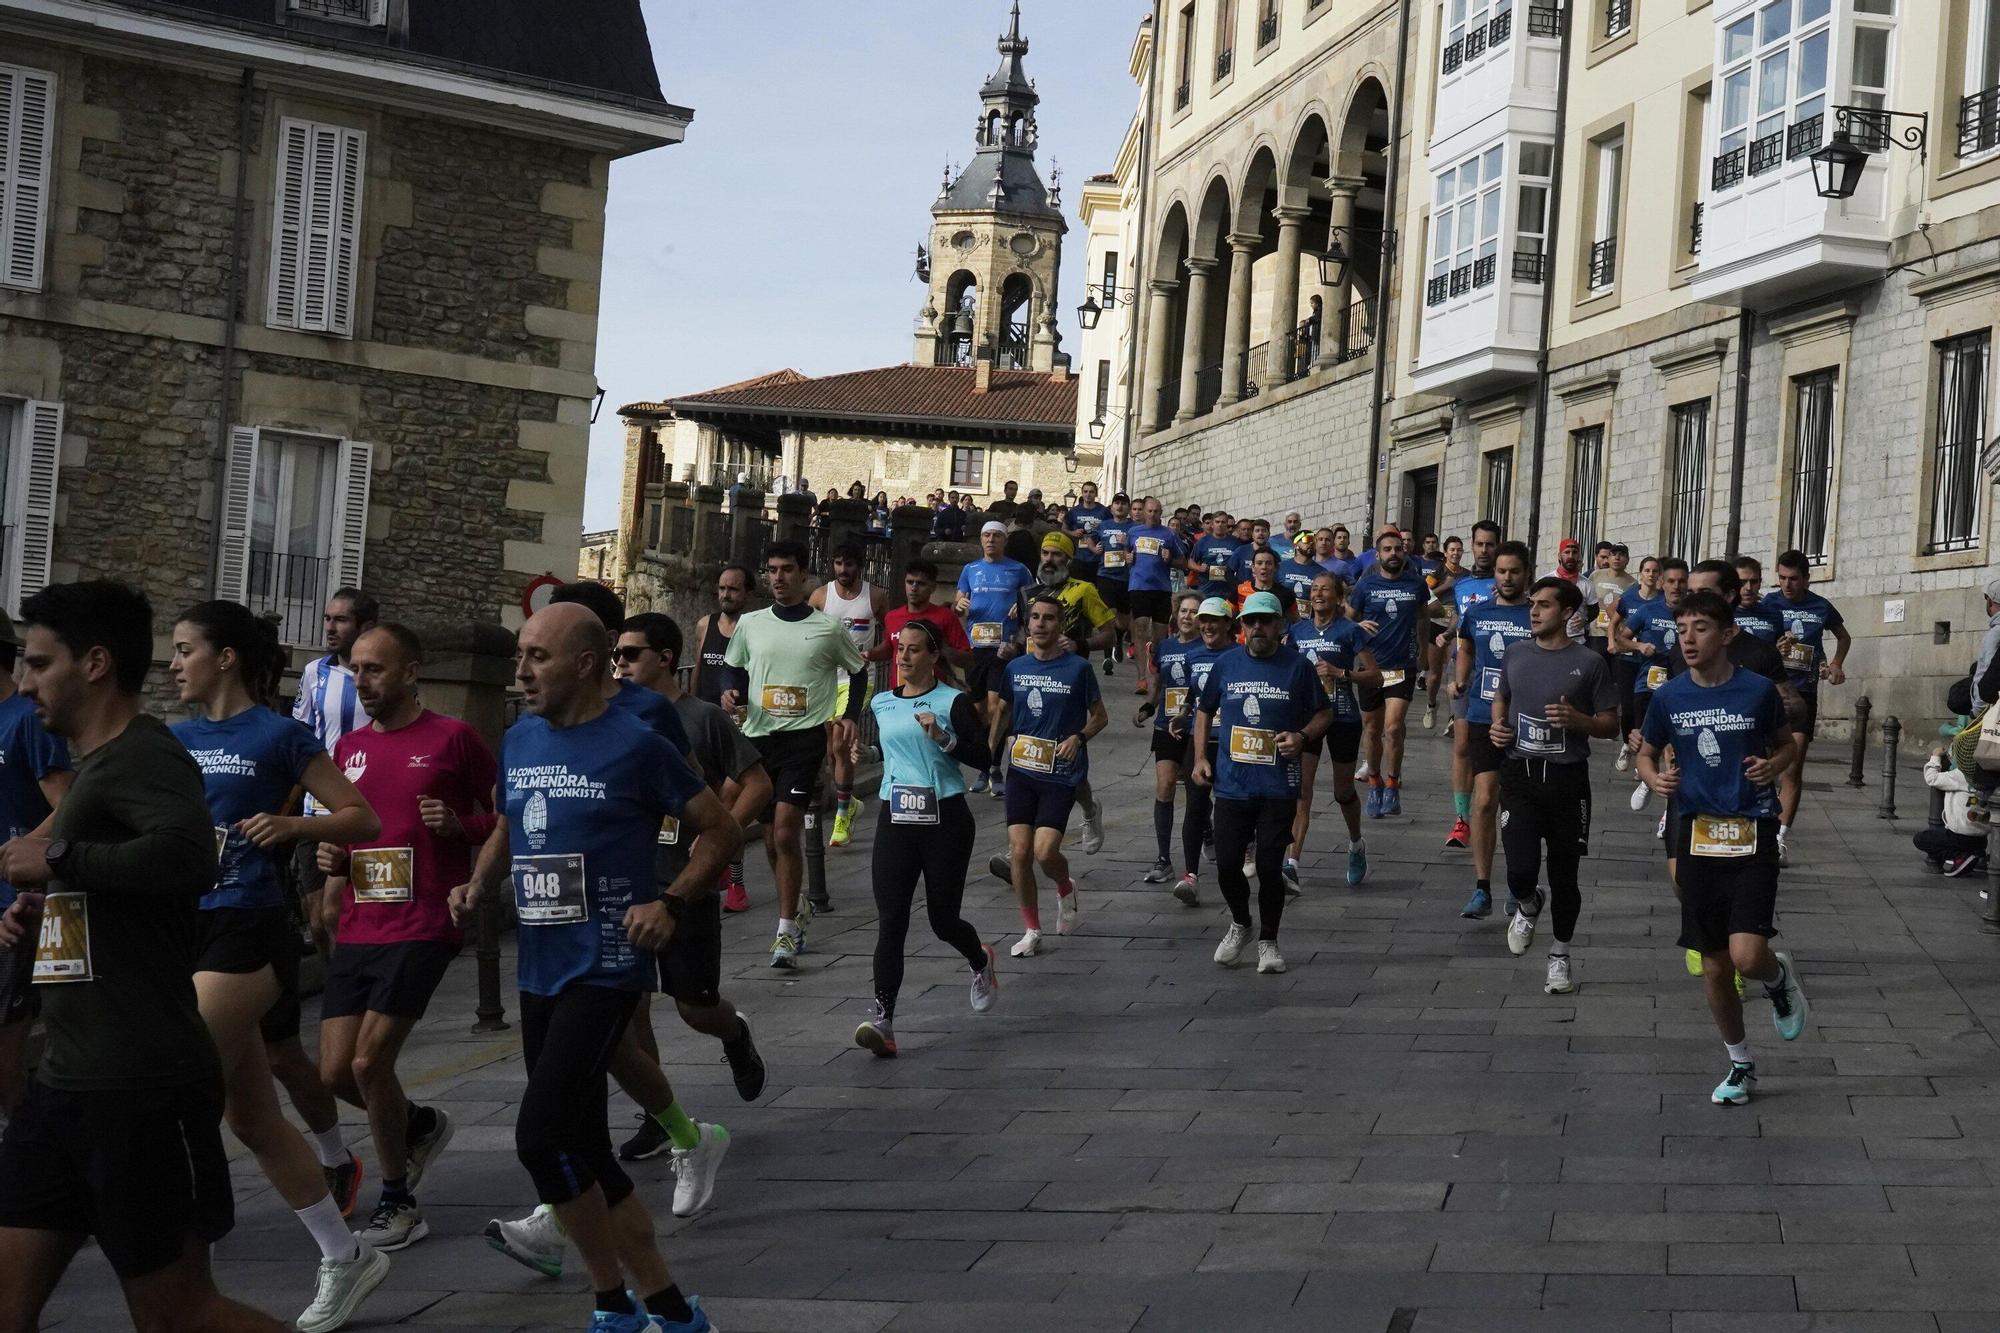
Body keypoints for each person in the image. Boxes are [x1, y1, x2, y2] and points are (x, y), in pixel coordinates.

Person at [0, 582, 296, 1333]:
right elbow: (104, 881)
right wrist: (42, 908)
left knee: (181, 1317)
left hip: (138, 1086)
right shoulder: (97, 763)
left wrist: (61, 853)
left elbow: (187, 857)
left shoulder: (145, 753)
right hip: (64, 1081)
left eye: (38, 662)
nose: (25, 681)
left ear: (94, 663)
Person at [453, 601, 735, 1333]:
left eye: (537, 657)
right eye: (517, 655)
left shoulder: (635, 743)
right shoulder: (518, 739)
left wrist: (670, 900)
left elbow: (720, 828)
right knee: (579, 1144)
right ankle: (661, 1308)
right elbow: (513, 823)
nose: (520, 671)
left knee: (539, 1135)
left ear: (585, 663)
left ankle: (618, 1302)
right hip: (540, 964)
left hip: (610, 963)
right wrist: (481, 880)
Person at [169, 600, 390, 1331]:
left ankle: (177, 1225)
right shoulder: (174, 736)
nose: (173, 663)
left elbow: (363, 817)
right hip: (186, 927)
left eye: (184, 648)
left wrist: (293, 823)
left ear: (226, 656)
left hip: (250, 924)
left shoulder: (278, 735)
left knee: (180, 1066)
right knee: (255, 1117)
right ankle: (345, 1252)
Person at [315, 623, 494, 1253]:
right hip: (365, 920)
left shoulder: (454, 737)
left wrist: (460, 824)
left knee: (369, 1062)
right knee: (335, 1073)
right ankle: (418, 1124)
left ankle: (398, 1201)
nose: (361, 681)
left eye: (374, 669)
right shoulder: (350, 749)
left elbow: (505, 816)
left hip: (425, 920)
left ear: (411, 672)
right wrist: (333, 861)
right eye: (355, 670)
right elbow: (348, 828)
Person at [600, 614, 766, 1212]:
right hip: (631, 886)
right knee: (630, 1005)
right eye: (615, 655)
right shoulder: (612, 721)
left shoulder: (702, 718)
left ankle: (736, 1032)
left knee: (695, 1009)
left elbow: (756, 784)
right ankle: (657, 1116)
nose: (619, 665)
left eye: (630, 654)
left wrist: (717, 836)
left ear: (666, 658)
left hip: (686, 885)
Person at [1637, 589, 1809, 1106]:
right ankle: (1740, 1064)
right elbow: (1646, 752)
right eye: (1682, 629)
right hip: (1696, 832)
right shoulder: (1670, 696)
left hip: (1752, 828)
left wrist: (1772, 768)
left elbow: (1785, 748)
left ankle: (1777, 978)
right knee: (1714, 964)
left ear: (1727, 634)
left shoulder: (1757, 691)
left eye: (1701, 628)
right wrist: (1655, 779)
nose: (1688, 639)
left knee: (1747, 955)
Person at [854, 620, 999, 1058]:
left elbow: (983, 757)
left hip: (945, 819)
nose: (903, 657)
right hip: (896, 818)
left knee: (942, 920)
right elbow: (898, 749)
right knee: (891, 921)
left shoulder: (952, 701)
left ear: (933, 657)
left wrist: (944, 738)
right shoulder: (881, 702)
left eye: (915, 651)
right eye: (901, 650)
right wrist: (871, 754)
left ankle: (980, 960)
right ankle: (884, 1018)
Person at [724, 540, 868, 967]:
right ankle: (796, 905)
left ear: (804, 575)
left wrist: (849, 717)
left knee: (786, 830)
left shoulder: (827, 627)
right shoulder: (751, 623)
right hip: (759, 736)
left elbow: (857, 673)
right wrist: (729, 690)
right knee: (772, 838)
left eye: (787, 569)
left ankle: (785, 931)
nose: (779, 577)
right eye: (772, 569)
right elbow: (734, 665)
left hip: (805, 738)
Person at [286, 586, 378, 1198]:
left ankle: (356, 1003)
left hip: (358, 814)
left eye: (341, 620)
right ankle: (345, 988)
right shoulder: (316, 675)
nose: (330, 628)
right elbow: (301, 737)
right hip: (313, 813)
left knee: (333, 911)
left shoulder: (373, 677)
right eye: (327, 618)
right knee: (317, 920)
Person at [1486, 578, 1619, 993]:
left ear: (1568, 613)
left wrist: (1580, 722)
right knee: (1519, 869)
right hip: (1520, 774)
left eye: (1544, 605)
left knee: (1565, 875)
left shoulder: (1590, 662)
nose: (1534, 611)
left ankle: (1559, 955)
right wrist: (1497, 726)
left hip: (1567, 780)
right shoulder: (1516, 653)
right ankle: (1528, 902)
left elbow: (1611, 724)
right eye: (1533, 604)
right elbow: (1501, 698)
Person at [1192, 592, 1333, 975]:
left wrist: (1302, 737)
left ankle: (1269, 941)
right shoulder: (1226, 664)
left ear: (1279, 626)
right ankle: (1241, 922)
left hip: (1278, 784)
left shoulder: (1298, 667)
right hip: (1233, 784)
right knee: (1226, 867)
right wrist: (1201, 757)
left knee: (1270, 868)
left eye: (1265, 621)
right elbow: (1204, 711)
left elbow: (1324, 712)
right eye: (1250, 622)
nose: (1257, 628)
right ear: (1241, 628)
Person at [988, 594, 1106, 958]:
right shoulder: (1016, 668)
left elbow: (1100, 716)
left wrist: (1078, 737)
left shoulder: (1077, 669)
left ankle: (1065, 885)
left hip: (1060, 772)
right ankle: (1031, 929)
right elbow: (1004, 710)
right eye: (1035, 617)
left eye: (1049, 618)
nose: (1040, 624)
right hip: (1022, 770)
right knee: (1020, 854)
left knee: (1044, 852)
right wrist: (994, 748)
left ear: (1061, 626)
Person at [0, 608, 70, 1112]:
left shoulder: (26, 721)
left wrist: (21, 852)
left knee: (3, 1067)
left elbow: (70, 807)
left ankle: (29, 1165)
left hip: (11, 909)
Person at [1453, 542, 1534, 922]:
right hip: (1485, 715)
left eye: (1514, 571)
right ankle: (1482, 887)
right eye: (1501, 571)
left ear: (1526, 574)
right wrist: (1460, 679)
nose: (1506, 578)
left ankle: (1522, 884)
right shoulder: (1477, 612)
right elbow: (1466, 646)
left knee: (1518, 808)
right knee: (1484, 799)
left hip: (1527, 720)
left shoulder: (1537, 615)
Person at [1286, 573, 1378, 889]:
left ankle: (1356, 844)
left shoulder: (1350, 630)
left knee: (1342, 793)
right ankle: (1292, 864)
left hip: (1342, 717)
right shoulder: (1297, 631)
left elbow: (1375, 676)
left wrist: (1342, 673)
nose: (1318, 593)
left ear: (1339, 597)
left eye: (1325, 588)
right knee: (1302, 793)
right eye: (1314, 588)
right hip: (1309, 719)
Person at [1764, 549, 1851, 866]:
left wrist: (1836, 664)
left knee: (1793, 766)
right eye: (1782, 578)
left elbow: (1843, 636)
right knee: (1764, 764)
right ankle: (1761, 824)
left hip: (1803, 695)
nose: (1787, 585)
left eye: (1794, 579)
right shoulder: (1768, 605)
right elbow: (1753, 642)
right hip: (1768, 691)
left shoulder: (1820, 606)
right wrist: (1774, 648)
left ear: (1806, 578)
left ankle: (1780, 838)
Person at [810, 543, 889, 850]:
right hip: (825, 680)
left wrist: (871, 653)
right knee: (832, 750)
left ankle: (843, 814)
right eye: (839, 563)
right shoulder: (819, 597)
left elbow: (892, 639)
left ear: (861, 565)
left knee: (841, 741)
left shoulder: (876, 597)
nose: (844, 570)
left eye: (850, 564)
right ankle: (849, 800)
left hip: (858, 680)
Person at [1349, 528, 1429, 816]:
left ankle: (1393, 785)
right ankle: (1374, 782)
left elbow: (1423, 617)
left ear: (1404, 552)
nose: (1393, 554)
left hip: (1402, 665)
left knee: (1393, 728)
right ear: (1378, 554)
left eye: (1398, 549)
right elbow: (1347, 621)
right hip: (1371, 666)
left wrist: (1423, 650)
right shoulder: (1365, 586)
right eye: (1387, 549)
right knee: (1372, 729)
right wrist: (1356, 629)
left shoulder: (1417, 584)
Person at [955, 522, 1037, 794]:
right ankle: (986, 762)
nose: (991, 540)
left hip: (1004, 647)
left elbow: (1034, 603)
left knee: (995, 706)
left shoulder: (1018, 569)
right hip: (977, 648)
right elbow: (959, 602)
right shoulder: (970, 570)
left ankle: (991, 767)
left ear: (1004, 541)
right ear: (981, 540)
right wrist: (959, 605)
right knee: (978, 710)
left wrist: (1023, 608)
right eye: (987, 535)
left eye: (997, 536)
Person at [691, 565, 755, 913]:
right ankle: (714, 871)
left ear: (747, 594)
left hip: (740, 728)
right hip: (704, 724)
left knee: (730, 803)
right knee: (706, 802)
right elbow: (700, 667)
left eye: (733, 589)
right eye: (722, 588)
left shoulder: (756, 629)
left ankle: (736, 881)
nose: (726, 594)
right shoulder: (705, 624)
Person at [1441, 522, 1500, 850]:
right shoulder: (1461, 585)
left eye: (1489, 544)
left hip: (1502, 674)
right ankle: (1462, 819)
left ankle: (1495, 806)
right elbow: (1460, 623)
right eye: (1479, 544)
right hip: (1467, 670)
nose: (1483, 550)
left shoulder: (1507, 581)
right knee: (1462, 744)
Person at [1141, 592, 1206, 890]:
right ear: (1176, 614)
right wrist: (1149, 706)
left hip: (1197, 727)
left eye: (1194, 611)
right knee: (1165, 785)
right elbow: (1160, 683)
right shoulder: (1164, 647)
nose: (1187, 616)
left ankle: (1207, 828)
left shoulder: (1207, 648)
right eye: (1183, 611)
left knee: (1197, 791)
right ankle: (1163, 859)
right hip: (1165, 725)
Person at [1614, 557, 1689, 812]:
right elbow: (1621, 638)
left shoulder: (1692, 613)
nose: (1676, 586)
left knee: (1672, 746)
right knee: (1648, 738)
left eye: (1681, 582)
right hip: (1648, 684)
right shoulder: (1648, 611)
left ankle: (1668, 811)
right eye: (1671, 581)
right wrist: (1639, 646)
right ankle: (1648, 776)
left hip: (1681, 685)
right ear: (1661, 583)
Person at [1124, 496, 1185, 698]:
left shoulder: (1169, 534)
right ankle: (1141, 678)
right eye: (1149, 511)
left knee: (1159, 636)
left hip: (1161, 588)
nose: (1152, 515)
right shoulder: (1133, 532)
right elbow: (1126, 554)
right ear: (1143, 512)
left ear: (1161, 513)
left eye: (1156, 511)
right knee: (1140, 628)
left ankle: (1156, 665)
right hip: (1139, 586)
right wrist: (1128, 558)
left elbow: (1182, 561)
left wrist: (1170, 559)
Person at [877, 559, 973, 688]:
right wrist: (867, 655)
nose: (914, 588)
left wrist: (944, 649)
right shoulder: (891, 617)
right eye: (910, 582)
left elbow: (967, 659)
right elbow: (889, 648)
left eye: (921, 584)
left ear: (932, 588)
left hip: (935, 696)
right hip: (900, 694)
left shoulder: (945, 616)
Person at [1610, 555, 1663, 772]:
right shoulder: (1630, 597)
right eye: (1647, 571)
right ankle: (1626, 744)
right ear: (1640, 574)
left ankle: (1643, 758)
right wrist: (1612, 642)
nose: (1651, 575)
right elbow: (1613, 621)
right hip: (1628, 659)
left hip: (1652, 665)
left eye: (1654, 571)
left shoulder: (1662, 601)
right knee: (1628, 708)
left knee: (1647, 708)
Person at [1919, 745, 1986, 875]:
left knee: (1921, 839)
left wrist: (1935, 757)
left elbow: (1932, 778)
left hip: (1960, 836)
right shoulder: (1988, 775)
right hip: (1982, 839)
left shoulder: (1961, 775)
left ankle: (1959, 857)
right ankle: (1976, 855)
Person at [1089, 491, 1136, 675]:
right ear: (1112, 506)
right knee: (1109, 615)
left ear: (1128, 508)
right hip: (1105, 575)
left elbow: (1137, 550)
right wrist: (1095, 549)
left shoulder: (1134, 528)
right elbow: (1089, 540)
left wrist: (1127, 546)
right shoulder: (1103, 525)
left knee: (1123, 620)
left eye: (1124, 503)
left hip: (1126, 577)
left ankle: (1117, 640)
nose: (1120, 506)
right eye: (1117, 502)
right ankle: (1107, 657)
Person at [1544, 537, 1602, 644]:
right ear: (1559, 556)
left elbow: (1594, 610)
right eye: (1566, 552)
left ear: (1579, 556)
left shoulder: (1587, 584)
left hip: (1577, 641)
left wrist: (1585, 619)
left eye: (1574, 552)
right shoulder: (1546, 581)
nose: (1570, 556)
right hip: (1550, 639)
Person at [1234, 548, 1299, 625]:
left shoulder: (1286, 594)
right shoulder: (1239, 590)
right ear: (1253, 567)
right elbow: (1226, 616)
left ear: (1276, 568)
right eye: (1259, 563)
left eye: (1269, 563)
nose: (1264, 567)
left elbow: (1297, 623)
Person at [1191, 512, 1242, 604]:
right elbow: (1190, 561)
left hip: (1229, 592)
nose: (1220, 525)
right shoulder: (1203, 542)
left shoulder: (1235, 543)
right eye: (1217, 522)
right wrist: (1199, 568)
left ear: (1227, 524)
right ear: (1212, 524)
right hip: (1207, 591)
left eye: (1223, 522)